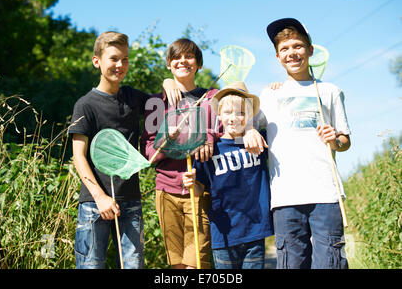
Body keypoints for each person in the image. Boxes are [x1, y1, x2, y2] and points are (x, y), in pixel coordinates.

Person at [140, 38, 266, 269]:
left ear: (198, 64)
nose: (182, 61)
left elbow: (230, 128)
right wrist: (166, 140)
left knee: (198, 263)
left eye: (189, 57)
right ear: (169, 64)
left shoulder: (211, 99)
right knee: (177, 265)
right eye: (176, 57)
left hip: (201, 190)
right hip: (166, 190)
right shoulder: (156, 103)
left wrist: (243, 130)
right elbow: (149, 153)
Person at [69, 31, 177, 269]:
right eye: (114, 58)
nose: (120, 65)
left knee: (133, 265)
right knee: (90, 265)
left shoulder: (132, 96)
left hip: (130, 199)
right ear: (97, 61)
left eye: (125, 59)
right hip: (94, 204)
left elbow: (161, 106)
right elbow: (78, 157)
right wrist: (100, 198)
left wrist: (167, 81)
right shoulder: (85, 105)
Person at [259, 18, 351, 269]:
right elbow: (242, 119)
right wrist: (248, 132)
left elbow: (345, 141)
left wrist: (335, 140)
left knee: (331, 263)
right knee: (291, 263)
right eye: (284, 49)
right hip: (285, 196)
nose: (292, 53)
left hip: (326, 193)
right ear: (277, 57)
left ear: (310, 50)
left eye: (298, 46)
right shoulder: (270, 94)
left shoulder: (330, 91)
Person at [183, 81, 274, 269]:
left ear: (249, 116)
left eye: (241, 113)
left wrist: (276, 88)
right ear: (219, 115)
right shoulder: (209, 150)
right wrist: (192, 184)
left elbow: (277, 123)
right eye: (227, 112)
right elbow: (200, 189)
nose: (233, 118)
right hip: (223, 233)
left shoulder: (259, 141)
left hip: (255, 229)